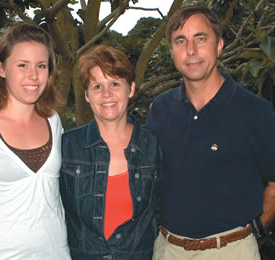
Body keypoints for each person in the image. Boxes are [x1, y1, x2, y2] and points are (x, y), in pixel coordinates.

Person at [145, 6, 275, 260]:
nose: (191, 51)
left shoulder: (253, 111)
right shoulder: (161, 109)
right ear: (172, 51)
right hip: (167, 249)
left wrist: (256, 229)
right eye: (181, 41)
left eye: (201, 39)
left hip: (231, 250)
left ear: (219, 45)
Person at [0, 22, 70, 259]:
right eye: (22, 65)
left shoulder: (54, 121)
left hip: (56, 252)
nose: (33, 76)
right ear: (1, 68)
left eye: (41, 66)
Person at [60, 44, 162, 260]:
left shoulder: (153, 146)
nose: (106, 94)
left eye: (115, 83)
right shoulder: (67, 147)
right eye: (96, 86)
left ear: (131, 89)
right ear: (87, 95)